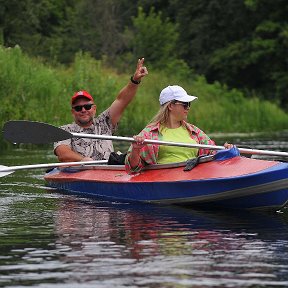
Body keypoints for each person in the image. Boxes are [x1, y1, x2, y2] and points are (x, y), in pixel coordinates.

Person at [54, 58, 148, 162]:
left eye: (87, 106)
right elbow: (62, 153)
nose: (83, 110)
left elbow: (122, 100)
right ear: (73, 112)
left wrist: (135, 80)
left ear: (94, 109)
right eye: (78, 108)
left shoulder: (105, 122)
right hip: (81, 171)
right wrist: (83, 160)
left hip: (108, 172)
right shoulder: (65, 130)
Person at [125, 85, 233, 174]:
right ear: (171, 106)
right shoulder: (149, 133)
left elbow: (213, 151)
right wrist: (136, 149)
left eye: (189, 104)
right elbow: (133, 168)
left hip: (193, 177)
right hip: (165, 180)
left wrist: (225, 149)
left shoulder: (194, 131)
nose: (188, 108)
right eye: (185, 105)